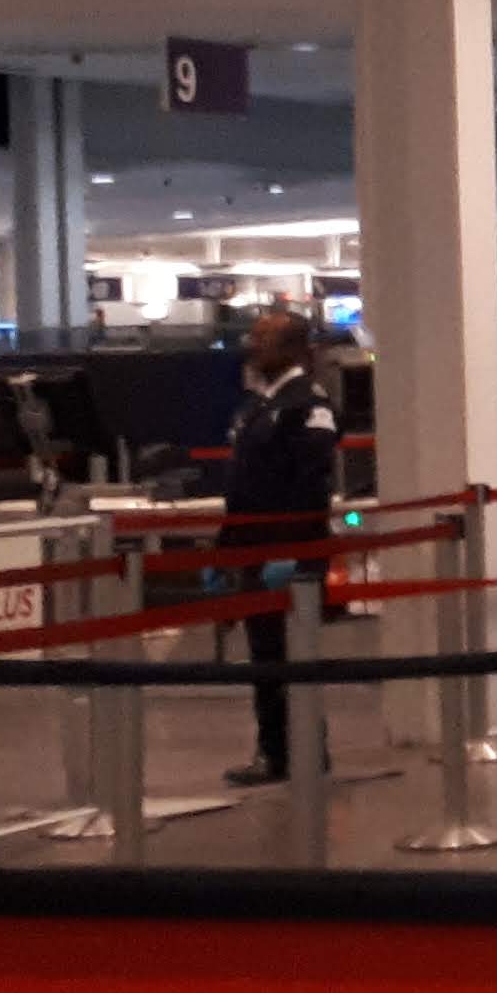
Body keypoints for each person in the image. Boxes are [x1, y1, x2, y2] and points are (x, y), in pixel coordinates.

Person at [220, 309, 347, 788]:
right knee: (266, 655)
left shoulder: (305, 403)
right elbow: (242, 487)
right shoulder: (256, 405)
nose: (254, 346)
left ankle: (304, 752)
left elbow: (309, 485)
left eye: (265, 339)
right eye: (253, 337)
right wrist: (226, 550)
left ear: (293, 349)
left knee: (292, 655)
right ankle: (275, 751)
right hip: (254, 547)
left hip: (290, 551)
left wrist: (292, 552)